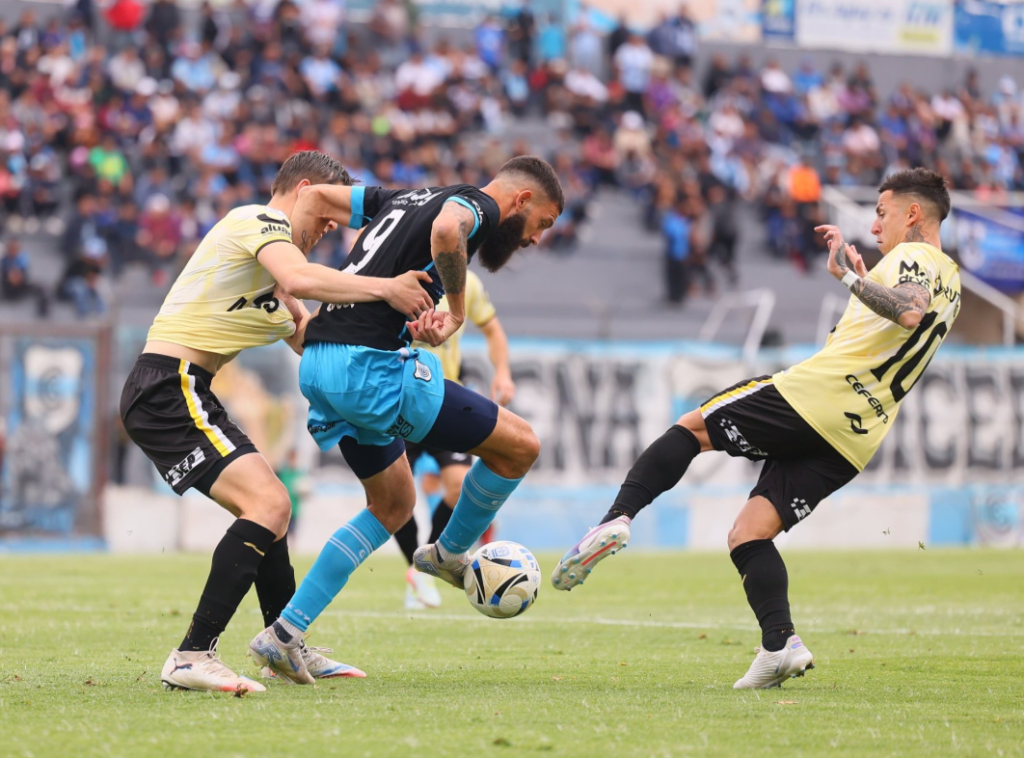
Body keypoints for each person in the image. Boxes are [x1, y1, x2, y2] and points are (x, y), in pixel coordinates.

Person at [551, 168, 961, 689]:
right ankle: (779, 645)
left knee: (693, 428)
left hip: (818, 397)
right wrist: (866, 283)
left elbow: (907, 313)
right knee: (749, 533)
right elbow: (895, 325)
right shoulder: (952, 279)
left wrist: (851, 279)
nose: (874, 225)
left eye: (881, 213)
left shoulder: (915, 257)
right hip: (857, 437)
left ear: (913, 214)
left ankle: (615, 518)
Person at [119, 151, 434, 694]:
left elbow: (317, 340)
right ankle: (193, 653)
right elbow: (301, 276)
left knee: (272, 508)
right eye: (326, 217)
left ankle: (283, 646)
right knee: (268, 504)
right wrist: (385, 287)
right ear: (304, 189)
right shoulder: (256, 221)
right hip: (167, 386)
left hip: (186, 391)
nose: (327, 230)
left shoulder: (275, 288)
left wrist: (408, 332)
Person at [249, 156, 563, 684]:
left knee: (393, 503)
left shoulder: (400, 197)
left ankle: (283, 634)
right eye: (543, 224)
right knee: (522, 445)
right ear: (522, 201)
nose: (535, 239)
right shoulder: (480, 206)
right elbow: (447, 231)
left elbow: (316, 198)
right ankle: (450, 552)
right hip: (369, 372)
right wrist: (457, 309)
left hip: (321, 362)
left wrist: (288, 263)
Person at [391, 268, 516, 609]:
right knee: (393, 498)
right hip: (396, 397)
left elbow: (493, 330)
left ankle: (426, 566)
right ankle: (414, 570)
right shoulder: (398, 275)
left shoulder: (468, 283)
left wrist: (502, 372)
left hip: (442, 396)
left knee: (460, 485)